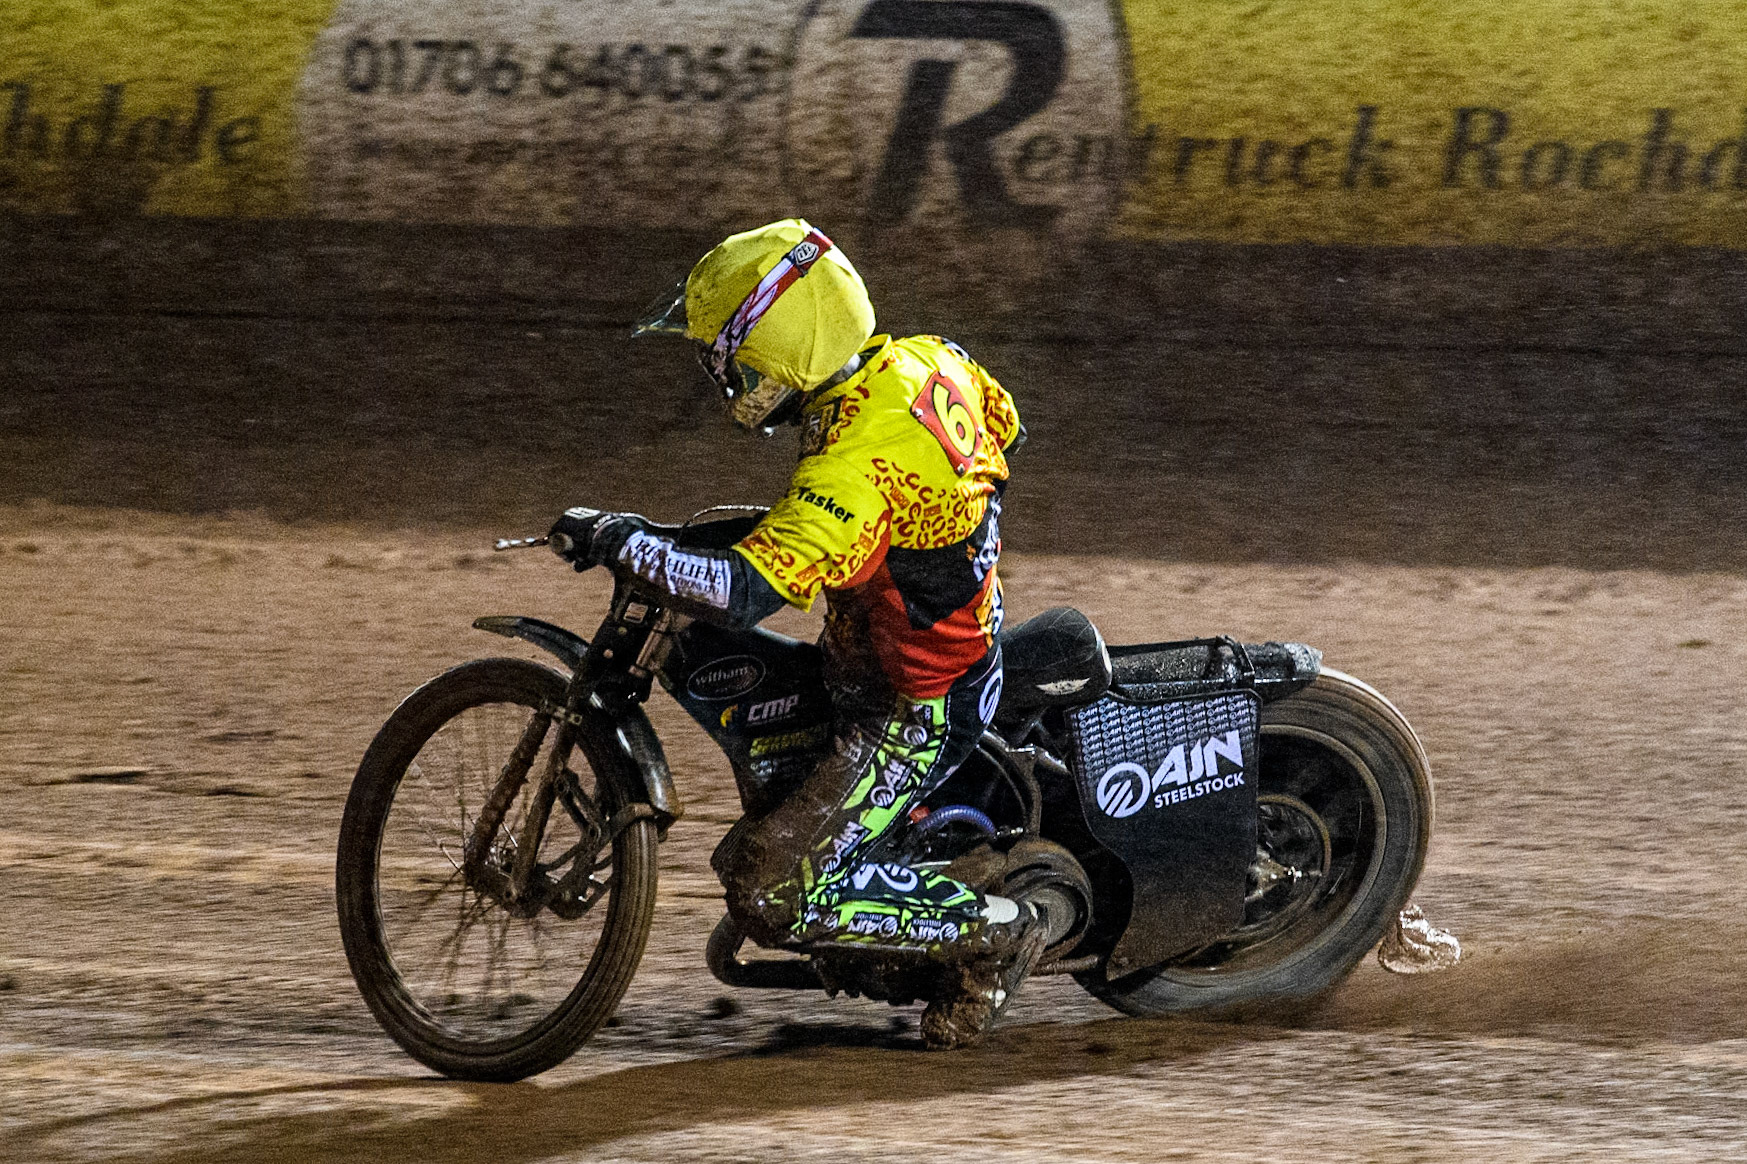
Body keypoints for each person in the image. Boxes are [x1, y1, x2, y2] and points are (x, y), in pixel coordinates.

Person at [546, 218, 1042, 1049]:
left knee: (770, 889)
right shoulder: (927, 357)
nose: (723, 375)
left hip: (913, 706)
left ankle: (997, 928)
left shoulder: (851, 466)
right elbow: (1009, 429)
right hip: (899, 651)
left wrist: (622, 539)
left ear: (780, 344)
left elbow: (741, 592)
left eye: (727, 355)